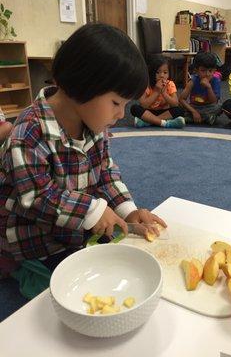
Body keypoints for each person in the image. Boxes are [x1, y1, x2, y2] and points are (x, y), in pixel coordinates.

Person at [0, 23, 166, 296]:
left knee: (119, 265)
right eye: (116, 103)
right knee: (67, 292)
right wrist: (91, 209)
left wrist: (127, 210)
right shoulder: (28, 132)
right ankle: (20, 266)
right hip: (36, 237)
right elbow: (36, 197)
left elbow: (106, 173)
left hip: (74, 228)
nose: (121, 114)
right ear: (81, 83)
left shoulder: (93, 124)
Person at [130, 55, 185, 128]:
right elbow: (143, 105)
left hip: (164, 112)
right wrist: (156, 91)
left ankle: (148, 122)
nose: (162, 75)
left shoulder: (170, 84)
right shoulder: (146, 84)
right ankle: (165, 123)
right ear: (151, 73)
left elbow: (175, 104)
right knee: (135, 108)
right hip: (149, 112)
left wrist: (164, 93)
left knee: (180, 110)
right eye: (158, 72)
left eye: (165, 72)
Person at [179, 51, 222, 125]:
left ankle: (191, 119)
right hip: (195, 107)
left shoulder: (215, 80)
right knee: (178, 107)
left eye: (210, 71)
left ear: (214, 71)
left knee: (220, 107)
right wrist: (194, 111)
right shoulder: (193, 81)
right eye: (203, 70)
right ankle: (206, 118)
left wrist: (209, 87)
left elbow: (214, 101)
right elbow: (181, 99)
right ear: (196, 71)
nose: (207, 74)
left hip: (209, 107)